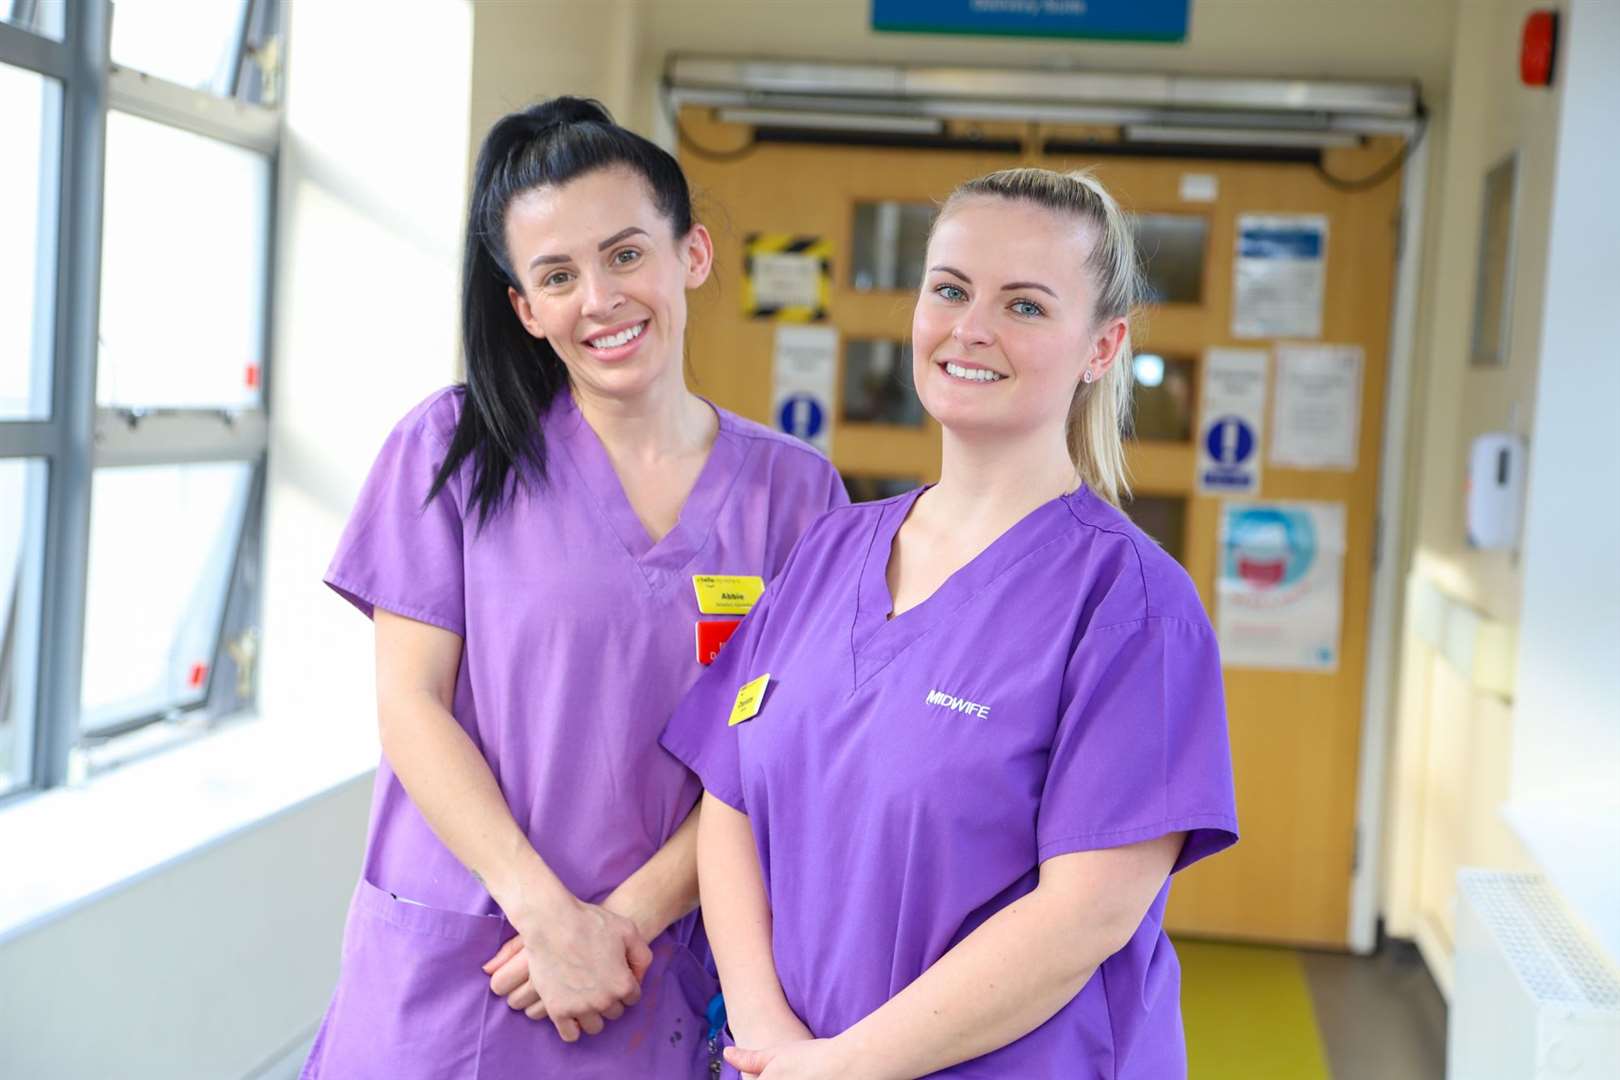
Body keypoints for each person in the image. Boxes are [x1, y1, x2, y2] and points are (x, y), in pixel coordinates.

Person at [302, 97, 847, 1079]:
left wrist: (616, 931)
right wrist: (547, 917)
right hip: (473, 961)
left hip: (656, 972)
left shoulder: (795, 495)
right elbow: (409, 704)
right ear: (525, 307)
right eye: (557, 276)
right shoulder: (452, 451)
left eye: (626, 254)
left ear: (693, 254)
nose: (599, 298)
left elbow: (773, 760)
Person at [661, 167, 1239, 1079]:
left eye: (1026, 305)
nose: (973, 329)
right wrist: (770, 1038)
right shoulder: (830, 551)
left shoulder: (1130, 606)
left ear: (1103, 346)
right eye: (952, 289)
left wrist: (846, 1067)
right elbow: (729, 799)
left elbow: (1083, 915)